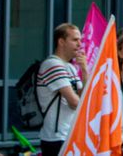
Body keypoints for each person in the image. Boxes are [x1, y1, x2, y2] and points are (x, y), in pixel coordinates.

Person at [37, 23, 87, 156]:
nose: (79, 44)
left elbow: (84, 96)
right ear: (61, 42)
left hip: (70, 135)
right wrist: (85, 103)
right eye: (75, 40)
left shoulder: (70, 67)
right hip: (57, 138)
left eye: (80, 40)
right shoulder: (52, 64)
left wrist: (84, 70)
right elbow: (75, 103)